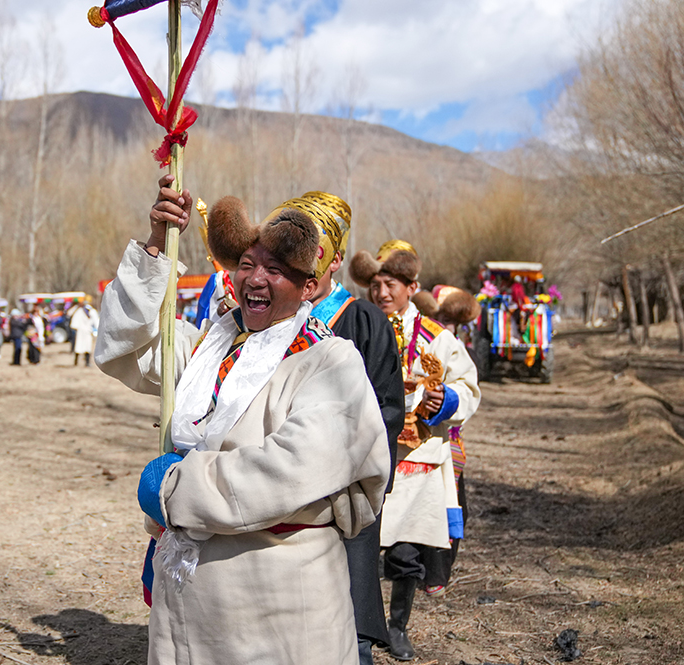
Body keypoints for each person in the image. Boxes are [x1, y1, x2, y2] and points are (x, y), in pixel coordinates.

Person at [96, 175, 391, 665]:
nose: (255, 278)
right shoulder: (208, 346)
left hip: (278, 602)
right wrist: (156, 245)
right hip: (190, 595)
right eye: (247, 265)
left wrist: (176, 488)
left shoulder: (330, 361)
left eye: (275, 269)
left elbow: (289, 468)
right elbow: (123, 346)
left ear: (309, 285)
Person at [349, 240, 481, 661]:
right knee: (360, 544)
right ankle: (359, 629)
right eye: (376, 285)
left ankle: (398, 627)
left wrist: (444, 400)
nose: (382, 293)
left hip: (418, 458)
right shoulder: (357, 326)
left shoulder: (438, 339)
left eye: (391, 285)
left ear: (411, 287)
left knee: (407, 549)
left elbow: (467, 387)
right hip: (366, 453)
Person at [297, 192, 405, 665]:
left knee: (347, 622)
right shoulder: (272, 317)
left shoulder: (364, 320)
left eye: (313, 254)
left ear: (335, 260)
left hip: (343, 490)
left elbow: (387, 409)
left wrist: (332, 457)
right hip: (282, 493)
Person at [69, 299, 99, 366]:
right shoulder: (92, 311)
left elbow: (74, 323)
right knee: (86, 347)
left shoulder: (80, 310)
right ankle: (86, 362)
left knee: (79, 346)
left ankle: (77, 362)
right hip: (86, 331)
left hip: (82, 331)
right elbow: (96, 322)